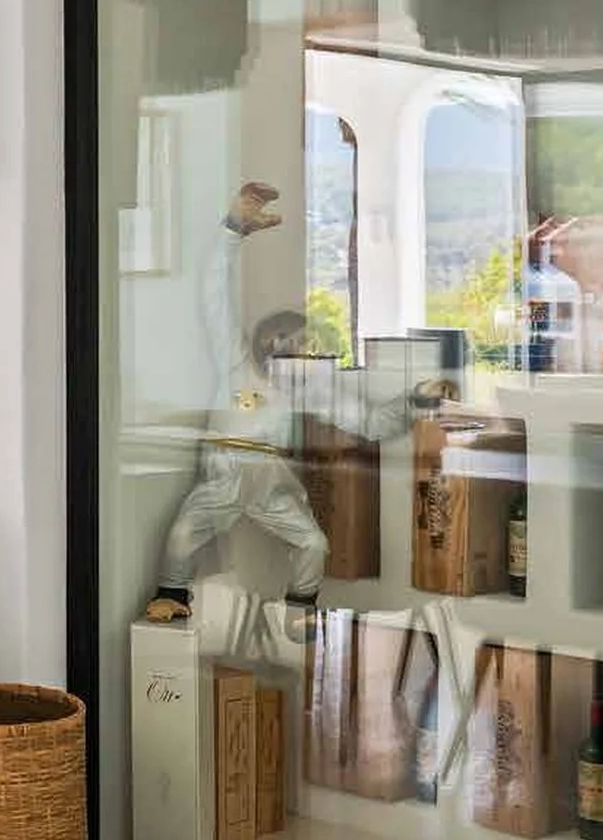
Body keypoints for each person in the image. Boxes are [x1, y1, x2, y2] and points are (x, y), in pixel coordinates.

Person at [145, 180, 444, 627]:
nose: (289, 349)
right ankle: (172, 593)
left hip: (270, 478)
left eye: (300, 345)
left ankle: (301, 605)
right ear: (264, 340)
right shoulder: (236, 363)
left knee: (313, 543)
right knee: (184, 532)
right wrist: (232, 231)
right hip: (223, 469)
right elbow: (213, 297)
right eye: (282, 340)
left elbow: (371, 422)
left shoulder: (311, 390)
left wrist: (415, 401)